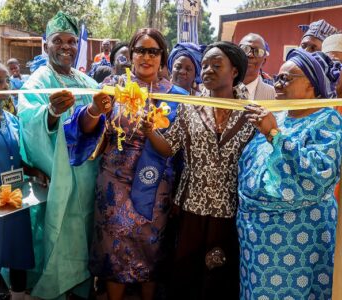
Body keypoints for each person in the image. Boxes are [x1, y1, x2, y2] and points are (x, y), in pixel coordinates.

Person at [70, 28, 188, 300]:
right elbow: (88, 129)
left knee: (151, 246)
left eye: (153, 51)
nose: (146, 56)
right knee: (114, 246)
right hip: (114, 182)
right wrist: (95, 110)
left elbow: (179, 149)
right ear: (131, 54)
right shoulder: (111, 87)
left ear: (162, 57)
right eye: (140, 50)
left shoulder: (177, 95)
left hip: (156, 185)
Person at [141, 41, 254, 300]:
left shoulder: (251, 113)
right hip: (191, 204)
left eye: (217, 65)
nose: (208, 70)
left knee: (219, 270)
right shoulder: (190, 107)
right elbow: (169, 147)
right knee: (186, 271)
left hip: (230, 208)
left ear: (234, 71)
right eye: (204, 65)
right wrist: (149, 131)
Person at [238, 48, 342, 300]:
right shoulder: (281, 116)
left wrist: (274, 134)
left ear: (311, 86)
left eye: (287, 78)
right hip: (256, 234)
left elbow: (319, 173)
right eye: (277, 78)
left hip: (296, 236)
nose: (278, 84)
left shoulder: (327, 120)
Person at [17, 11, 104, 299]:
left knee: (83, 236)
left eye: (71, 41)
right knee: (61, 236)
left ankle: (80, 288)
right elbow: (29, 123)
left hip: (88, 178)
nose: (66, 46)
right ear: (46, 46)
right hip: (60, 179)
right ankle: (53, 290)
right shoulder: (37, 82)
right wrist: (51, 113)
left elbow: (103, 115)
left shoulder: (86, 81)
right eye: (58, 41)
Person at [0, 58, 47, 300]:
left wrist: (36, 172)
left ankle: (16, 294)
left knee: (17, 251)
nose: (5, 85)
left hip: (14, 202)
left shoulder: (12, 119)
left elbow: (18, 158)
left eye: (7, 80)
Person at [239, 33, 275, 100]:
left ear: (264, 61)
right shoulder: (219, 89)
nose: (250, 55)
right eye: (245, 49)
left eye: (258, 51)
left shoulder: (273, 96)